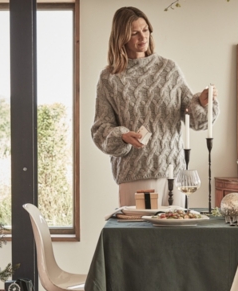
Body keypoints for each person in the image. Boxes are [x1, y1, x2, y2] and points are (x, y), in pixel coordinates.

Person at [91, 6, 219, 207]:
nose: (142, 37)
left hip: (173, 173)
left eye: (145, 30)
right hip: (133, 174)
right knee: (136, 237)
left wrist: (201, 102)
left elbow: (193, 118)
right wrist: (123, 136)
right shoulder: (110, 78)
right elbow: (100, 130)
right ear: (121, 37)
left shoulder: (168, 69)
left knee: (175, 236)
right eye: (134, 33)